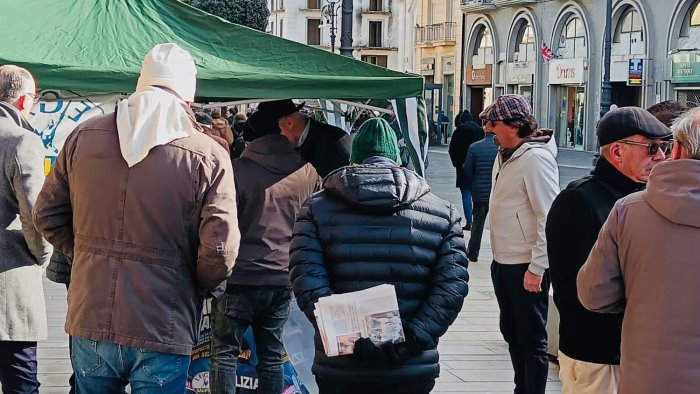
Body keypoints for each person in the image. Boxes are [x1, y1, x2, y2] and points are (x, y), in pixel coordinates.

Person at [33, 43, 240, 393]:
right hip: (164, 320)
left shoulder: (83, 136)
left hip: (91, 313)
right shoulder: (207, 155)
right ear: (187, 96)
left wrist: (86, 253)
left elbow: (47, 215)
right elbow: (220, 249)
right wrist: (194, 283)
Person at [289, 117, 469, 394]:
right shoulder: (443, 212)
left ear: (355, 157)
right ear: (396, 158)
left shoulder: (315, 208)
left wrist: (346, 334)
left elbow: (306, 278)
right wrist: (411, 337)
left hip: (341, 362)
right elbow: (451, 288)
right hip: (411, 362)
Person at [546, 107, 672, 394]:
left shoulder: (644, 198)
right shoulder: (578, 200)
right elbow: (573, 292)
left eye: (664, 147)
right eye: (651, 148)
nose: (661, 157)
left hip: (635, 353)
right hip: (596, 356)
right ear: (617, 151)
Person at [577, 107, 700, 394]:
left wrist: (643, 301)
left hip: (648, 377)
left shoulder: (629, 211)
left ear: (678, 149)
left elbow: (594, 294)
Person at [210, 110, 319, 394]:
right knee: (271, 355)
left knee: (224, 353)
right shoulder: (307, 171)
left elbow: (221, 223)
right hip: (283, 278)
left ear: (250, 139)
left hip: (238, 277)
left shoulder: (236, 170)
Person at [483, 94, 559, 394]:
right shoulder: (506, 154)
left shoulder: (535, 159)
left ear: (515, 126)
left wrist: (537, 267)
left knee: (531, 338)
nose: (489, 128)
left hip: (526, 267)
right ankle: (521, 388)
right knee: (512, 333)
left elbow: (548, 215)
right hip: (504, 261)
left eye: (494, 123)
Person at [0, 64, 53, 393]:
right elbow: (38, 216)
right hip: (9, 284)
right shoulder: (21, 141)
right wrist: (42, 255)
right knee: (21, 381)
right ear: (23, 101)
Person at [258, 99, 351, 178]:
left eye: (273, 132)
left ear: (289, 123)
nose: (272, 138)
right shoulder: (288, 145)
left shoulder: (335, 141)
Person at [462, 128, 498, 262]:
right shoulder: (500, 149)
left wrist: (474, 179)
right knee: (499, 223)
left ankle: (473, 252)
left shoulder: (475, 147)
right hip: (497, 191)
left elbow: (467, 169)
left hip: (479, 191)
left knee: (478, 223)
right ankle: (499, 254)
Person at [449, 110, 485, 230]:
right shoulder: (480, 131)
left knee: (466, 194)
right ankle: (477, 221)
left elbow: (452, 149)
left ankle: (469, 222)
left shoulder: (459, 131)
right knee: (477, 196)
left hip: (462, 167)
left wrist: (457, 163)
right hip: (478, 167)